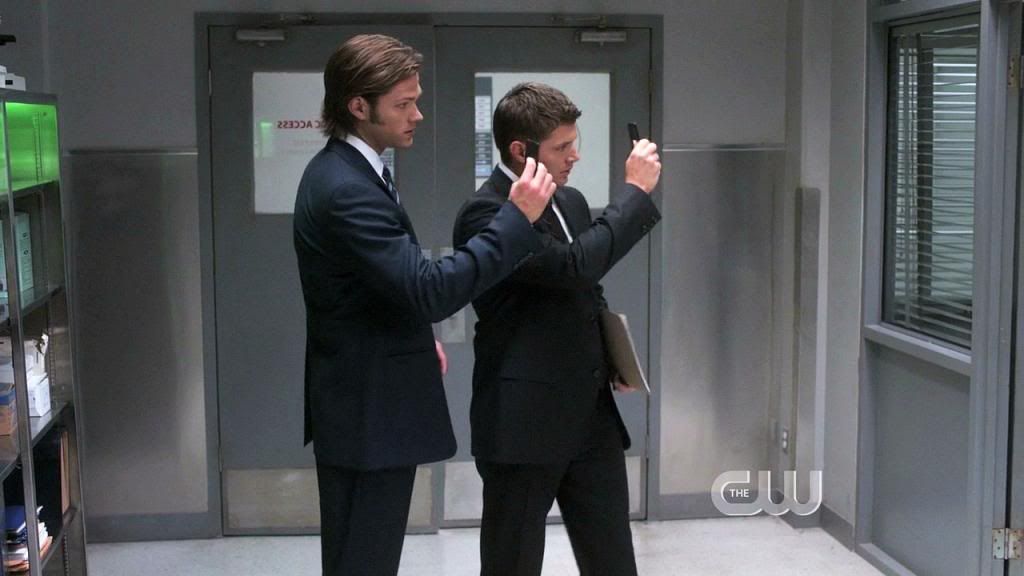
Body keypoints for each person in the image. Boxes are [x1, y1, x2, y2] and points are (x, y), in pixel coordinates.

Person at [293, 36, 556, 576]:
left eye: (416, 100)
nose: (418, 114)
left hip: (363, 400)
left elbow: (379, 284)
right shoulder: (347, 188)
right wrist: (515, 219)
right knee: (363, 559)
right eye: (404, 104)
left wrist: (415, 333)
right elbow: (429, 290)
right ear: (358, 106)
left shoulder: (354, 171)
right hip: (367, 409)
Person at [452, 82, 663, 576]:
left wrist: (614, 355)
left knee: (613, 558)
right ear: (519, 150)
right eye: (561, 146)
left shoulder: (569, 201)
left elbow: (585, 290)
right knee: (512, 562)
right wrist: (634, 193)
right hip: (523, 421)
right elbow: (573, 267)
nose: (574, 155)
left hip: (589, 416)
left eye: (574, 142)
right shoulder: (487, 214)